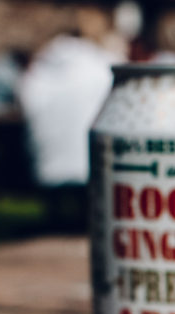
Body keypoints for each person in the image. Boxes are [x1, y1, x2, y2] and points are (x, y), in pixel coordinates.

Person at [19, 32, 114, 228]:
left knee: (57, 215)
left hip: (49, 164)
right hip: (87, 161)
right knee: (88, 215)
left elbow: (26, 103)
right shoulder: (98, 65)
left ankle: (56, 225)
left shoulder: (40, 71)